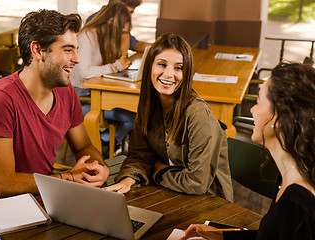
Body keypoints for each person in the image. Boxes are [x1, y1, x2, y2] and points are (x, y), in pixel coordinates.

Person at [0, 9, 109, 197]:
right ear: (38, 50)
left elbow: (83, 147)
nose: (77, 59)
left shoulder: (66, 92)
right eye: (68, 49)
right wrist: (69, 178)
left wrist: (99, 167)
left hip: (45, 196)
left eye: (76, 50)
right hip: (0, 211)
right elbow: (4, 185)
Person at [182, 62, 315, 240]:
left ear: (281, 117)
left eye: (258, 102)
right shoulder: (291, 174)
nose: (252, 109)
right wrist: (219, 235)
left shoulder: (295, 204)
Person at [104, 33, 234, 202]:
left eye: (178, 68)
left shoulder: (199, 115)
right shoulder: (149, 105)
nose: (168, 74)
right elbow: (139, 155)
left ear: (187, 73)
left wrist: (156, 169)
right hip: (169, 193)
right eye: (162, 64)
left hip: (209, 203)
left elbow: (197, 183)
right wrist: (129, 180)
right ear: (149, 66)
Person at [70, 0, 136, 149]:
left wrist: (117, 66)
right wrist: (115, 67)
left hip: (91, 93)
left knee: (135, 113)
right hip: (81, 99)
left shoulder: (100, 36)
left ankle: (106, 141)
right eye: (121, 28)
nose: (121, 33)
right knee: (133, 118)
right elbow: (85, 72)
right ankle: (105, 142)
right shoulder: (87, 37)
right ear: (111, 21)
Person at [86, 0, 152, 53]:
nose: (130, 17)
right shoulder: (95, 23)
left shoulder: (119, 22)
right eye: (126, 12)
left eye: (131, 13)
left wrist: (160, 46)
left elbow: (135, 45)